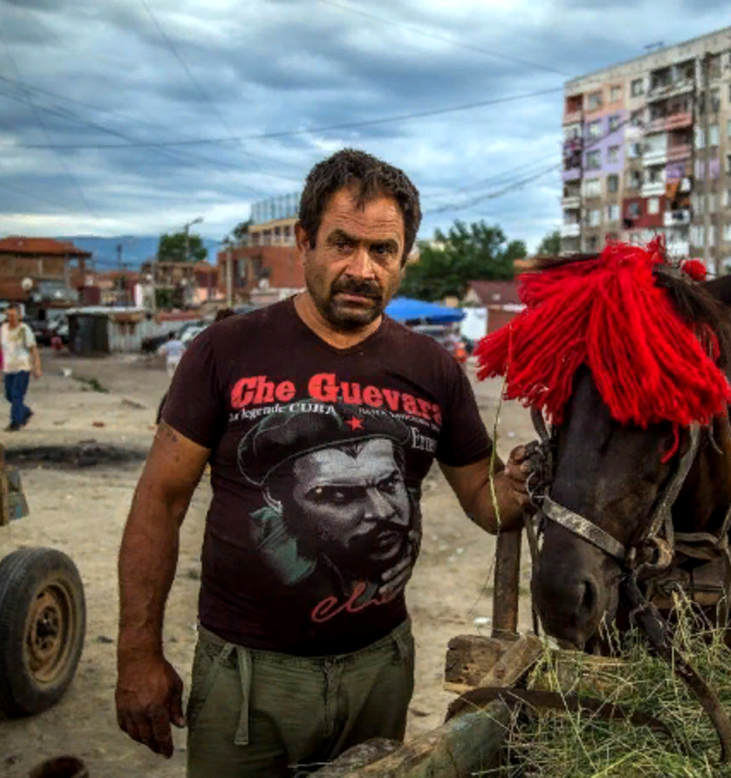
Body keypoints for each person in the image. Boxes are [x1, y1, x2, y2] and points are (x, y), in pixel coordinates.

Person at [115, 149, 532, 776]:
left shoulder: (433, 369)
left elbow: (485, 499)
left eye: (383, 252)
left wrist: (530, 478)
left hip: (379, 668)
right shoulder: (225, 350)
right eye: (342, 244)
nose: (361, 270)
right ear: (305, 242)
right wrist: (137, 653)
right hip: (247, 675)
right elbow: (160, 500)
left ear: (404, 258)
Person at [0, 302, 41, 431]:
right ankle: (25, 412)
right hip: (8, 368)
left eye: (14, 316)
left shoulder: (25, 329)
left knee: (16, 394)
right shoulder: (3, 329)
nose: (11, 318)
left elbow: (33, 350)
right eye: (9, 315)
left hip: (23, 367)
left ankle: (15, 423)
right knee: (8, 395)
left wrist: (37, 367)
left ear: (19, 316)